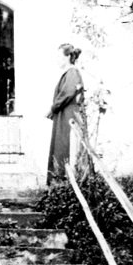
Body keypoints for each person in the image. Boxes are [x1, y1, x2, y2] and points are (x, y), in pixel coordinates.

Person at [46, 43, 84, 184]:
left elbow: (67, 93)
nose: (57, 59)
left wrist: (53, 108)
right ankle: (59, 184)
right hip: (64, 115)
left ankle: (65, 183)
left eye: (59, 56)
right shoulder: (68, 73)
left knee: (65, 148)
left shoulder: (72, 73)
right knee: (60, 147)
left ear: (67, 57)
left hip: (69, 117)